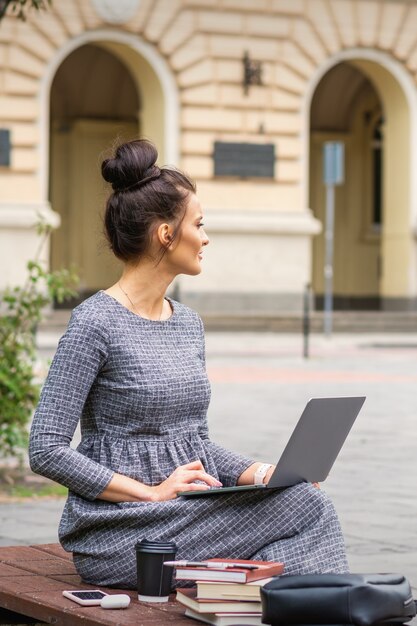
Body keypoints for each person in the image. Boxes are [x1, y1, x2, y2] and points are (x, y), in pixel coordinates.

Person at [29, 138, 349, 589]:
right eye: (198, 224)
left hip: (186, 512)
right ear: (166, 233)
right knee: (307, 510)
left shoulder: (188, 324)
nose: (205, 236)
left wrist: (260, 473)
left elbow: (195, 443)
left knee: (300, 501)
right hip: (120, 532)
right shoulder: (94, 323)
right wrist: (150, 491)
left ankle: (257, 601)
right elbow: (46, 448)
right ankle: (306, 604)